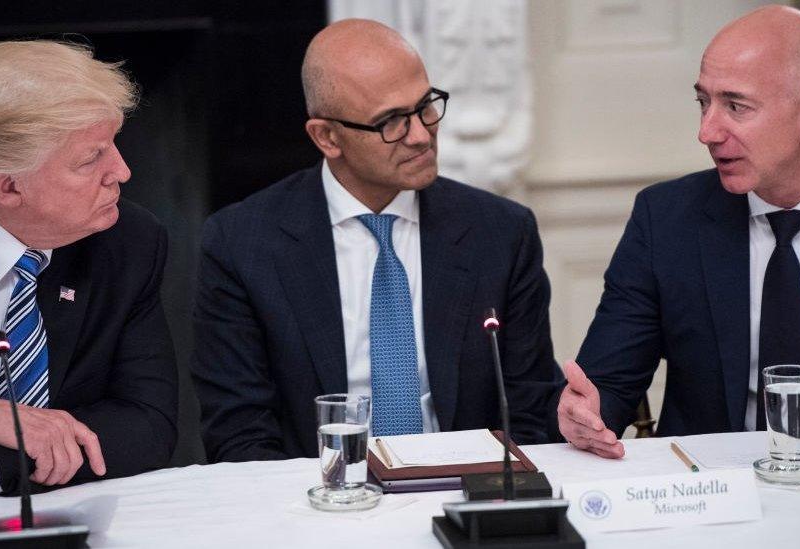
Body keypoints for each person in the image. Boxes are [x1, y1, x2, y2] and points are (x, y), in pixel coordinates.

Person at [192, 19, 562, 462]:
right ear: (327, 137)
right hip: (318, 501)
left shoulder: (501, 233)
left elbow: (531, 412)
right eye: (391, 122)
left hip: (466, 492)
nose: (422, 134)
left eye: (426, 106)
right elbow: (239, 435)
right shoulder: (241, 244)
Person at [557, 5, 800, 459]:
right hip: (715, 490)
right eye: (703, 102)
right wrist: (587, 415)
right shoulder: (666, 219)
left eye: (736, 106)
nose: (707, 131)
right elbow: (608, 384)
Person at [0, 40, 178, 507]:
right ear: (9, 185)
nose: (122, 170)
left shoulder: (130, 241)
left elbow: (147, 423)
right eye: (90, 158)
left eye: (113, 144)